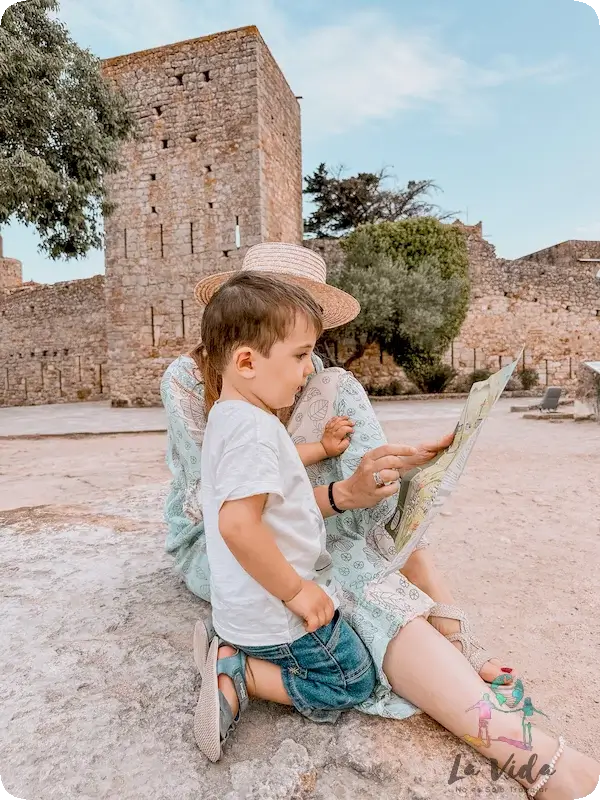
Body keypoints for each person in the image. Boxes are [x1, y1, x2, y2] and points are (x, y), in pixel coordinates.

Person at [162, 243, 600, 797]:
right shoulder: (194, 383)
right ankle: (524, 747)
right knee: (348, 581)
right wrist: (334, 509)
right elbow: (229, 511)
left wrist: (379, 473)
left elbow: (301, 497)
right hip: (222, 545)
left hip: (293, 528)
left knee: (370, 547)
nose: (308, 363)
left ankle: (464, 663)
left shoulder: (315, 380)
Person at [194, 272, 377, 761]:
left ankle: (228, 643)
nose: (308, 368)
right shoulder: (253, 431)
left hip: (244, 607)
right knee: (352, 680)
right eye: (300, 355)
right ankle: (240, 671)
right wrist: (297, 591)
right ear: (247, 361)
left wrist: (324, 452)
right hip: (276, 617)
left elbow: (281, 500)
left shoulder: (230, 420)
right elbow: (238, 525)